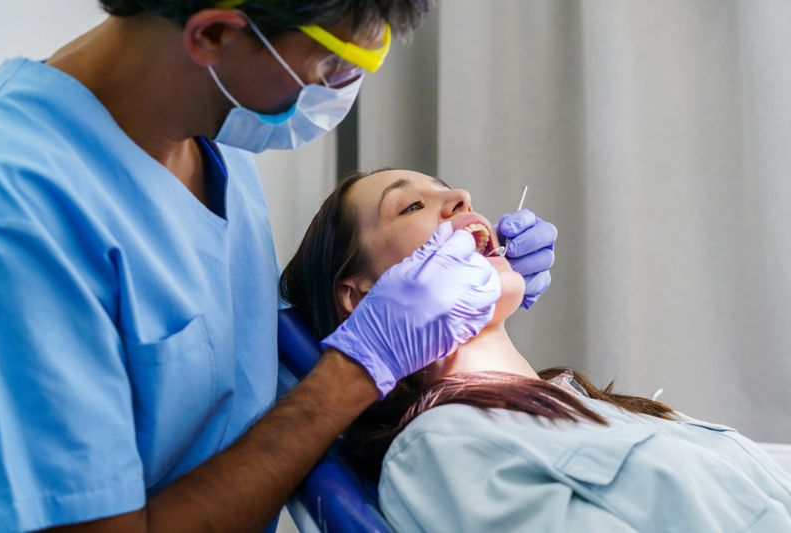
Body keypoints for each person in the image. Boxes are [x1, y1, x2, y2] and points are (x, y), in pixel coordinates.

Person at [0, 1, 560, 531]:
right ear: (214, 34)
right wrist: (362, 365)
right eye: (334, 65)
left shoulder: (216, 124)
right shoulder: (20, 207)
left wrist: (466, 292)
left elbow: (224, 349)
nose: (342, 91)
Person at [280, 168, 791, 532]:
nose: (462, 195)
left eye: (445, 187)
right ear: (363, 295)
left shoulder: (595, 407)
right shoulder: (443, 446)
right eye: (411, 205)